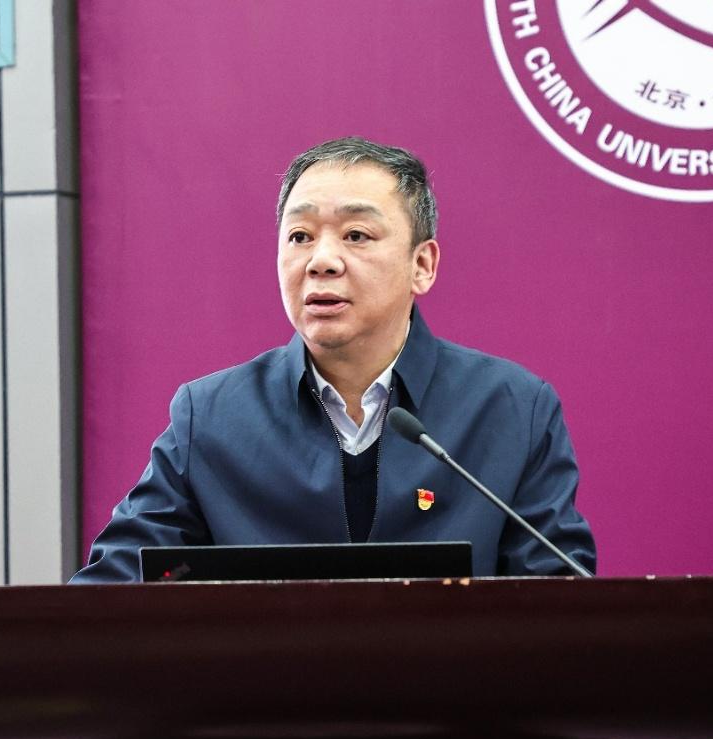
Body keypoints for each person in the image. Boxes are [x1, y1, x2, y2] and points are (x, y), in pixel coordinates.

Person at [70, 137, 595, 582]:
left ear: (422, 265)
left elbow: (561, 606)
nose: (321, 261)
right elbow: (110, 593)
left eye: (356, 235)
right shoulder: (210, 417)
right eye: (300, 236)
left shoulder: (512, 410)